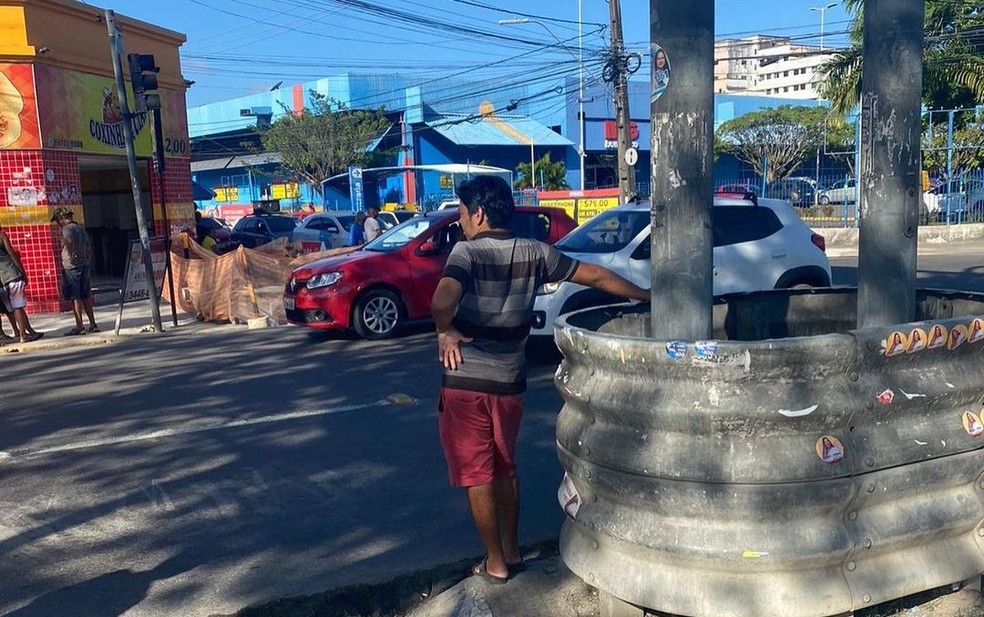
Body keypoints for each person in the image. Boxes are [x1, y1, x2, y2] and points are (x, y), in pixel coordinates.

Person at [430, 176, 648, 584]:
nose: (460, 222)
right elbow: (597, 276)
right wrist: (647, 295)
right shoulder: (535, 252)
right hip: (510, 383)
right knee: (505, 466)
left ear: (478, 213)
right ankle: (511, 550)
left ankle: (495, 561)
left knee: (478, 473)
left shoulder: (466, 252)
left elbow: (442, 300)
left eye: (461, 213)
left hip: (466, 383)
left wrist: (445, 331)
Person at [51, 207, 98, 336]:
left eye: (57, 220)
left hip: (71, 266)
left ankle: (79, 325)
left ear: (62, 218)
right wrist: (86, 260)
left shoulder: (66, 229)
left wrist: (71, 256)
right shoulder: (81, 229)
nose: (57, 224)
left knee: (75, 296)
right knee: (86, 295)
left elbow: (69, 242)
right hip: (84, 264)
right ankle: (93, 324)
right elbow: (88, 248)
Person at [0, 225, 42, 343]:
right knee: (18, 306)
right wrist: (22, 272)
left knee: (15, 307)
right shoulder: (2, 236)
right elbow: (12, 255)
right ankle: (23, 335)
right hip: (13, 274)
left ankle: (29, 331)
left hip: (3, 279)